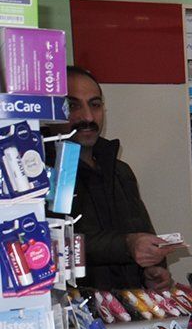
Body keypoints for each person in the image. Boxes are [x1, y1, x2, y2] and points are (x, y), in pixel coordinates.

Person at [63, 66, 180, 290]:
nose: (87, 117)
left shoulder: (120, 171)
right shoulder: (41, 173)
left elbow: (142, 233)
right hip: (73, 306)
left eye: (95, 105)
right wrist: (127, 245)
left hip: (127, 306)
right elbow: (56, 244)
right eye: (72, 106)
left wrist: (152, 269)